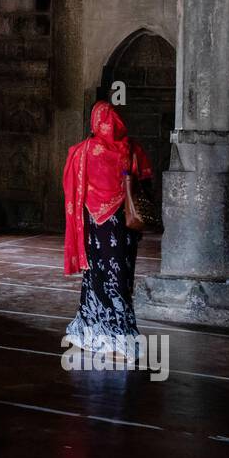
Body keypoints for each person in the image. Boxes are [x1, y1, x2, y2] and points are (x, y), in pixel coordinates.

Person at [61, 100, 154, 361]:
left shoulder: (82, 152)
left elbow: (71, 188)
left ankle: (93, 336)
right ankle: (119, 341)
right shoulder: (132, 149)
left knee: (96, 279)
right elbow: (146, 181)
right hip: (124, 228)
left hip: (94, 227)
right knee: (120, 280)